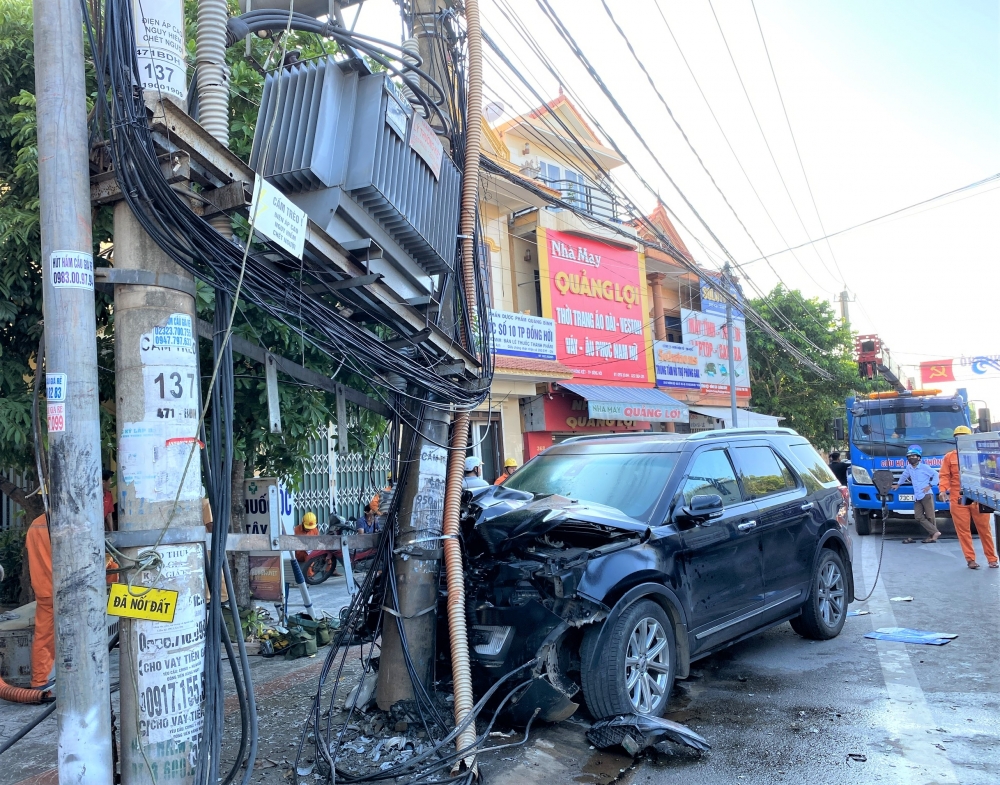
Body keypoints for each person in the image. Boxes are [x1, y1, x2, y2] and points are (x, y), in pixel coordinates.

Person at [939, 426, 998, 569]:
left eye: (964, 436)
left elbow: (992, 472)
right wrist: (942, 490)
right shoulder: (949, 457)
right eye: (958, 437)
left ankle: (992, 559)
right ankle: (970, 559)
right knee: (963, 530)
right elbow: (945, 475)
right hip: (958, 498)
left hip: (979, 497)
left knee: (985, 529)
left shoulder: (981, 454)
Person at [25, 514, 55, 693]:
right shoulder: (71, 521)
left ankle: (39, 682)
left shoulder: (36, 524)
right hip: (70, 590)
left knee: (43, 637)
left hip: (44, 590)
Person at [892, 445, 941, 543]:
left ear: (919, 458)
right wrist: (898, 484)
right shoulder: (909, 468)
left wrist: (930, 485)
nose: (911, 458)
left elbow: (936, 475)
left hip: (926, 494)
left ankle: (932, 536)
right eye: (909, 457)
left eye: (913, 456)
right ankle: (935, 532)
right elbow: (904, 475)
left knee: (930, 516)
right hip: (918, 495)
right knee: (918, 516)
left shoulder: (924, 467)